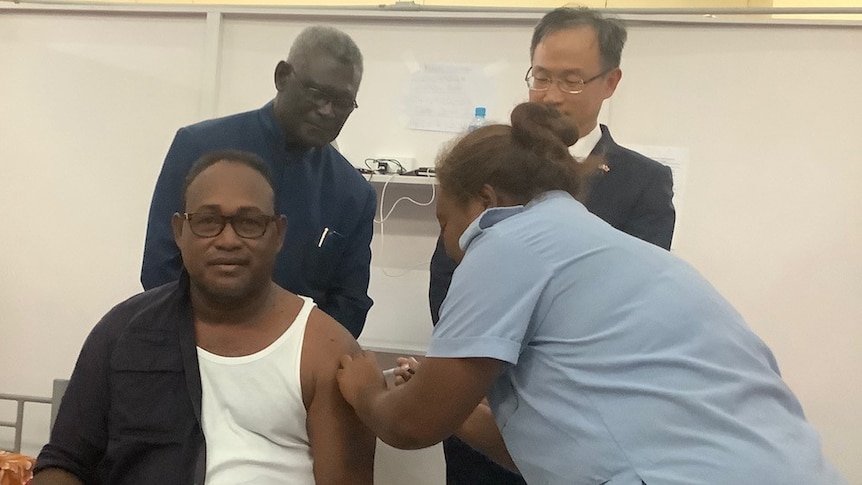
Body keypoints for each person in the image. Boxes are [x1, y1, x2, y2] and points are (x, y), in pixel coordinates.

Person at [336, 102, 846, 485]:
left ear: (485, 201)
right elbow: (558, 455)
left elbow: (412, 424)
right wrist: (457, 403)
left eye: (443, 222)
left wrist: (364, 390)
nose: (446, 243)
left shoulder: (506, 241)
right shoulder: (605, 248)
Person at [427, 7, 676, 482]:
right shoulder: (490, 159)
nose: (552, 97)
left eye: (572, 80)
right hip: (480, 408)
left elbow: (628, 308)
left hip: (576, 428)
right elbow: (448, 273)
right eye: (541, 76)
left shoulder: (643, 182)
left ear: (611, 82)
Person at [34, 151, 376, 485]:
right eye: (208, 221)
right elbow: (64, 463)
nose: (228, 240)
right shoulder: (123, 332)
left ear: (278, 234)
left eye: (250, 222)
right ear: (179, 231)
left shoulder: (326, 350)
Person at [142, 25, 375, 338]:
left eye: (342, 103)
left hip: (294, 370)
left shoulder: (353, 193)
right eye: (317, 94)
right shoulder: (198, 146)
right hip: (190, 349)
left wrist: (299, 357)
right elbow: (160, 265)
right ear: (282, 77)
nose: (326, 111)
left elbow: (350, 302)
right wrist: (210, 343)